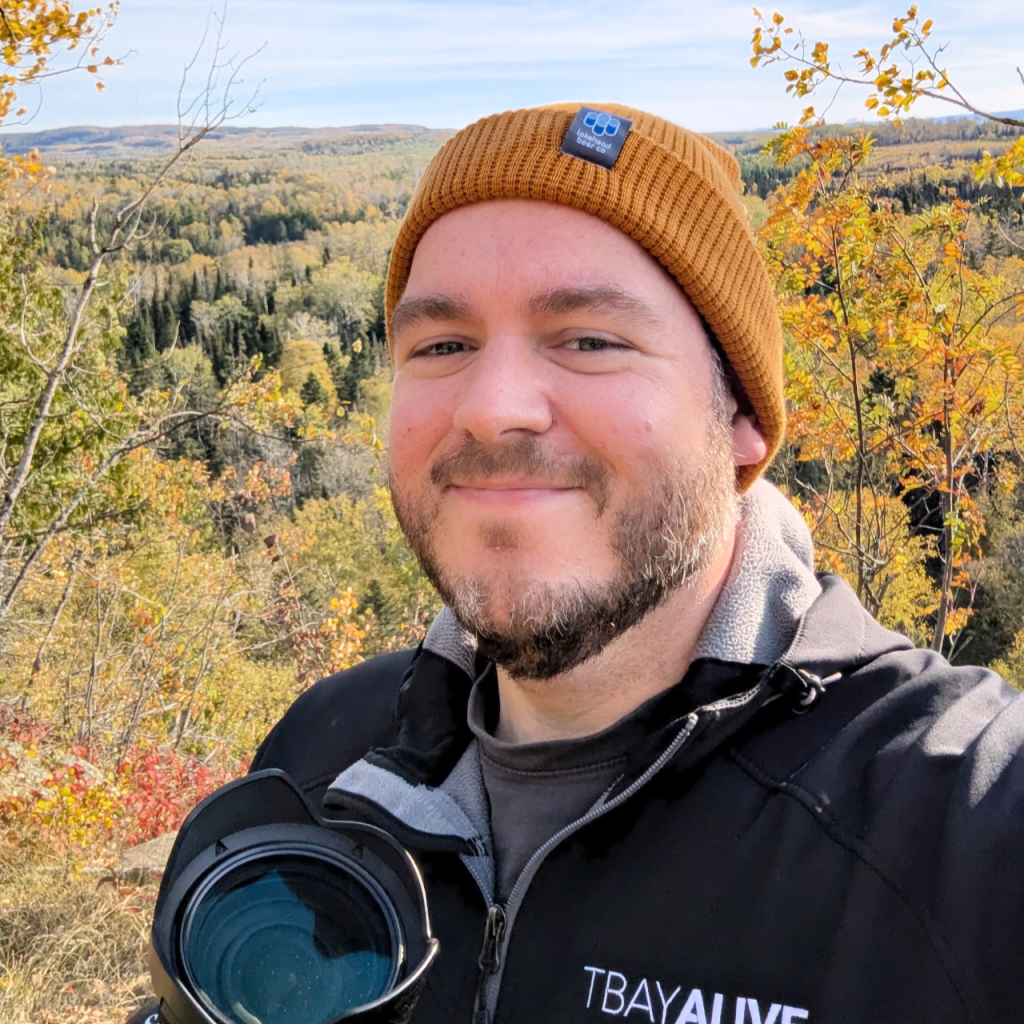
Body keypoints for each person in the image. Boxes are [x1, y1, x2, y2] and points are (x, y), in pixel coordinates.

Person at [249, 103, 1024, 1024]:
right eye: (443, 345)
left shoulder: (965, 822)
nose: (493, 408)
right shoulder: (319, 758)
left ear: (741, 419)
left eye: (590, 339)